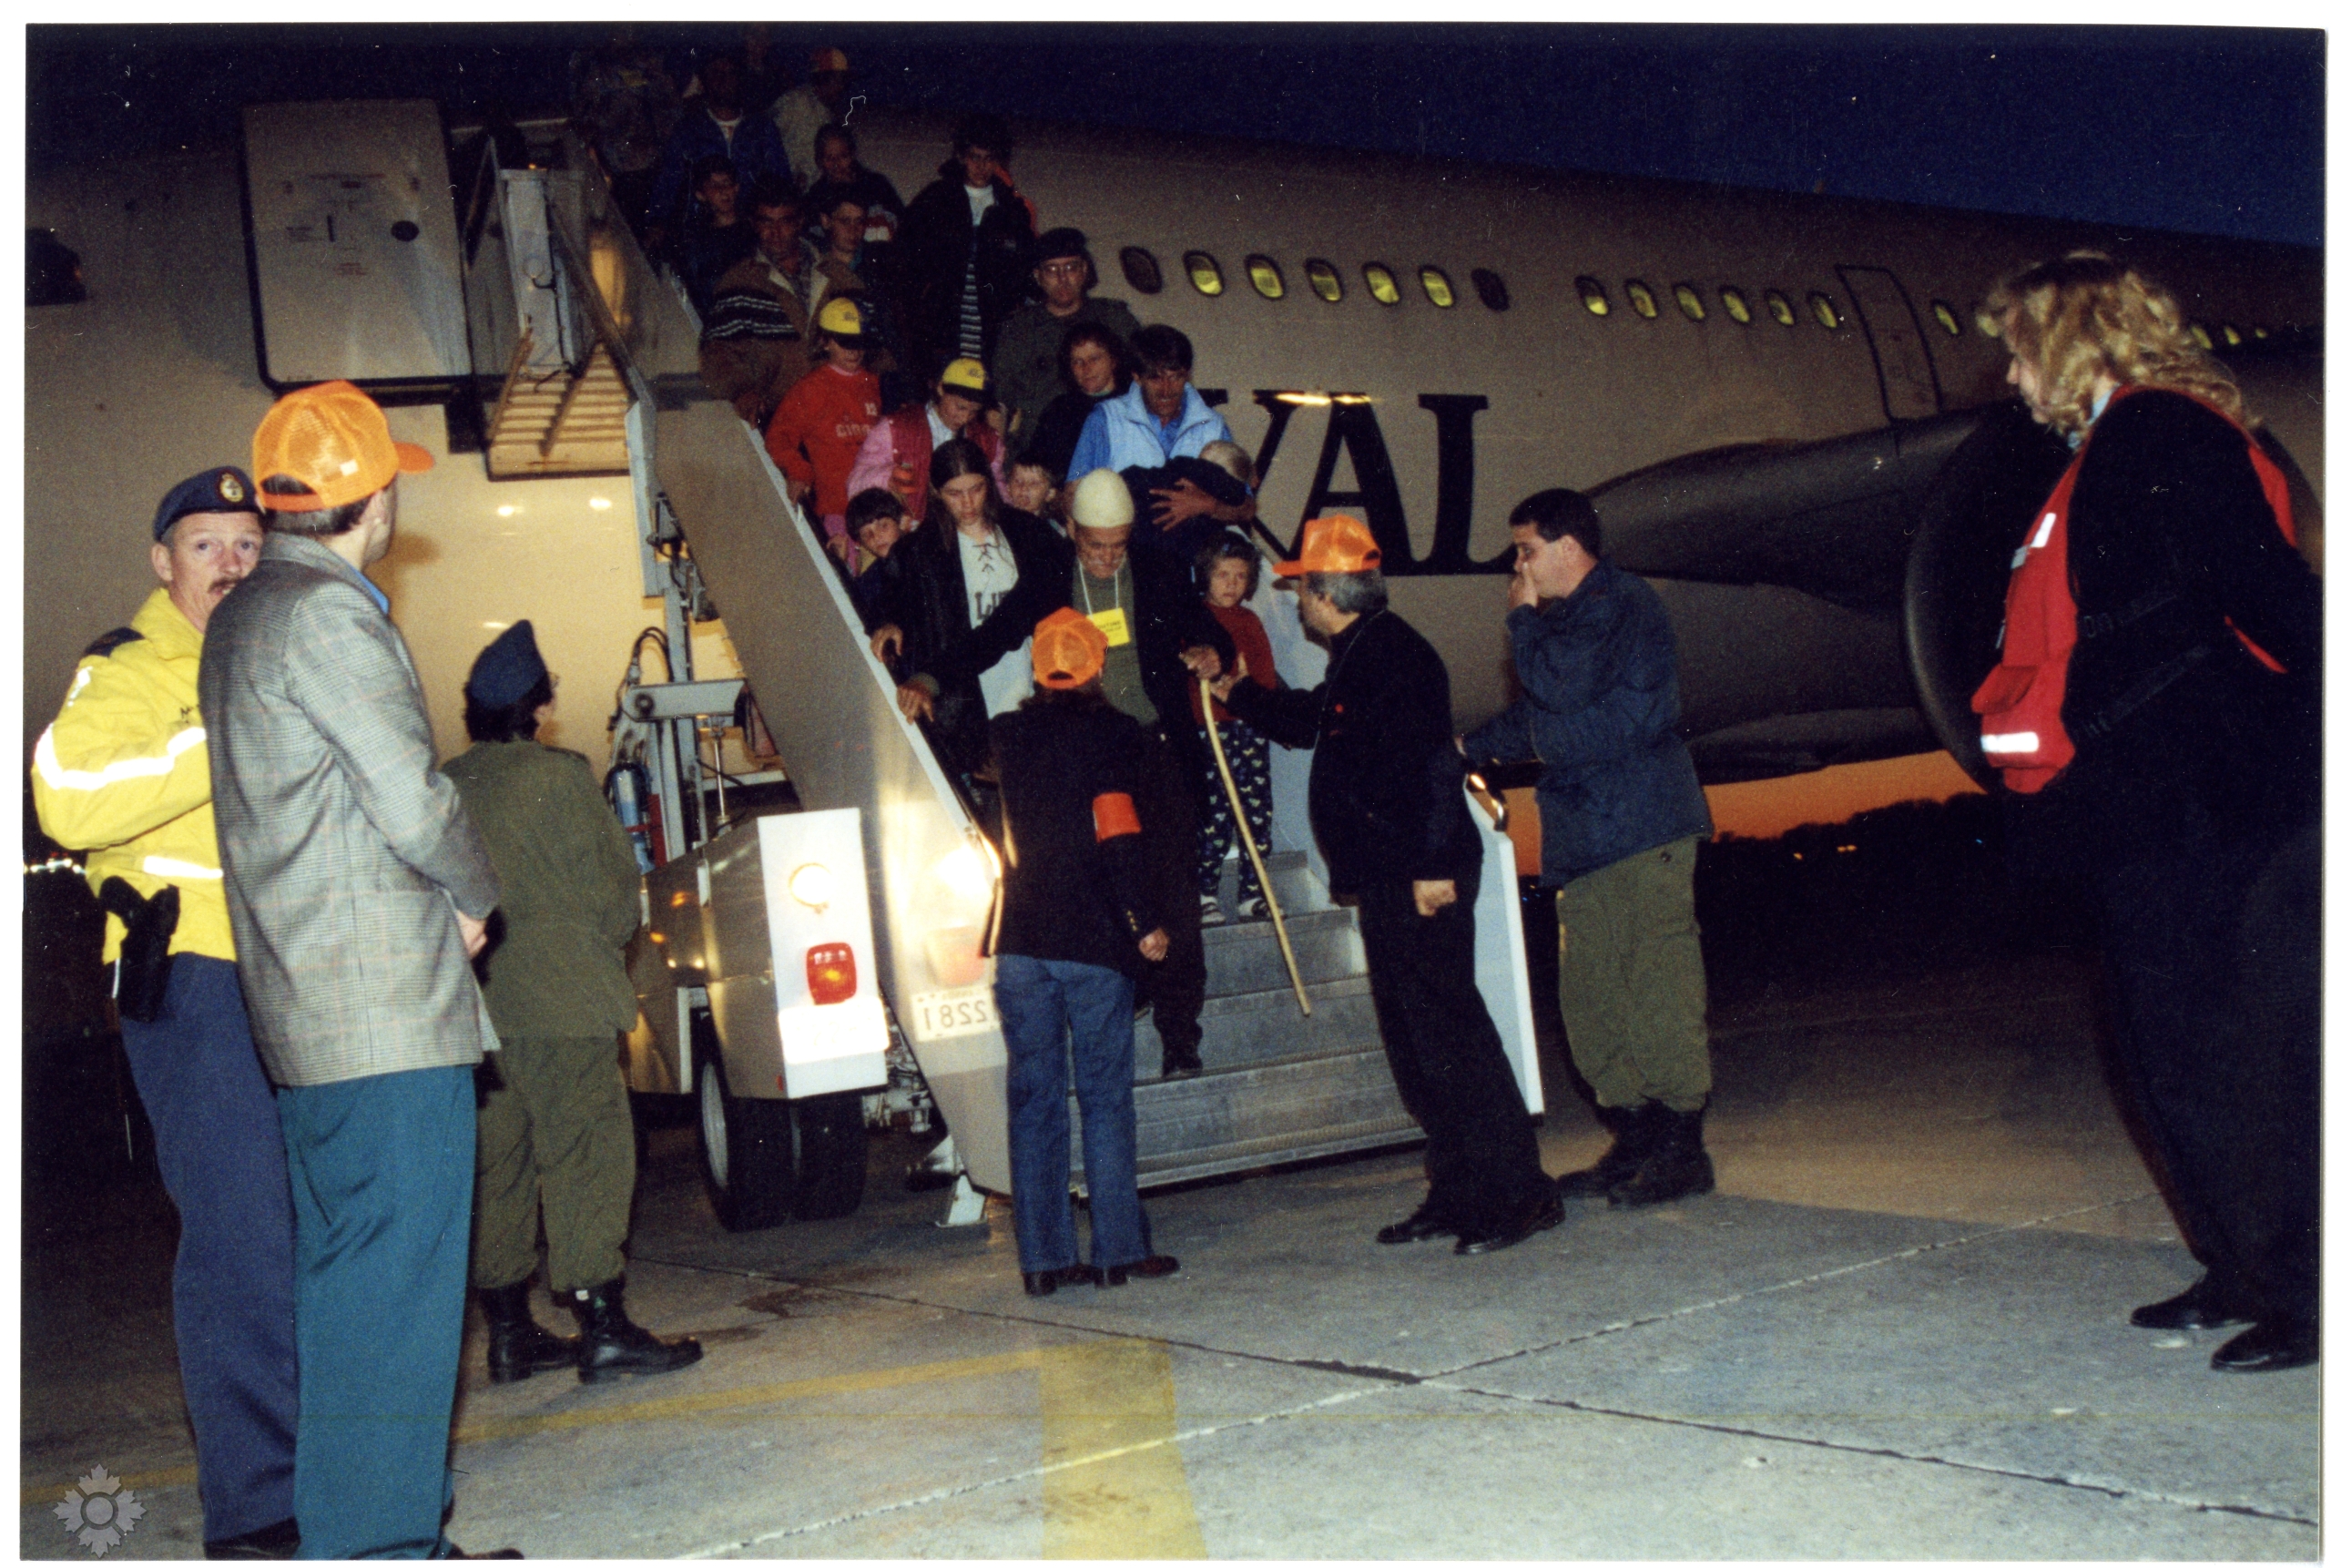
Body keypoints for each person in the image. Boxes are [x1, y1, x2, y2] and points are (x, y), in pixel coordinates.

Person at [1976, 252, 2321, 1373]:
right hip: (2154, 808)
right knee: (2166, 1047)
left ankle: (2302, 1290)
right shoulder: (2114, 449)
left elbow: (2273, 599)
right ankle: (2241, 1264)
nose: (2014, 375)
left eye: (2022, 348)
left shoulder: (2165, 436)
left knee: (2239, 1053)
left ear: (2074, 340)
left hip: (2218, 803)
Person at [200, 382, 513, 1559]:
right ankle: (388, 1547)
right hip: (384, 1014)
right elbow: (412, 798)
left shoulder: (240, 614)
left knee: (346, 1299)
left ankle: (356, 1532)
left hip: (306, 1015)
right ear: (371, 500)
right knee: (402, 1299)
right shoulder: (328, 615)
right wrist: (478, 898)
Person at [31, 468, 300, 1561]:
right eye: (206, 546)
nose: (231, 564)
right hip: (193, 982)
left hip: (297, 979)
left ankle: (334, 1482)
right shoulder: (131, 669)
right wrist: (220, 730)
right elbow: (67, 797)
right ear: (163, 562)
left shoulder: (275, 661)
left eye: (247, 545)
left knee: (315, 1236)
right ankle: (257, 1512)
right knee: (241, 1238)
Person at [1209, 514, 1559, 1254]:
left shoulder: (1394, 657)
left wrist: (1433, 869)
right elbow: (1311, 723)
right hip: (1388, 877)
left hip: (1417, 876)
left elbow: (1435, 766)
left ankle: (1521, 1195)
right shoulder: (1359, 654)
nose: (1296, 597)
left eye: (1301, 585)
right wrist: (1238, 691)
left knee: (1451, 1036)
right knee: (1415, 1043)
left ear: (1327, 594)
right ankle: (1459, 1193)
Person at [901, 470, 1235, 1079]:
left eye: (1117, 545)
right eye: (1094, 546)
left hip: (1155, 755)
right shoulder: (1053, 574)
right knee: (1103, 889)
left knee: (1176, 903)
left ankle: (1181, 1038)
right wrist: (928, 675)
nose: (1107, 558)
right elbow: (993, 637)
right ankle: (1129, 991)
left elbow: (1211, 632)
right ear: (1072, 530)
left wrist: (1217, 655)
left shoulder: (1158, 570)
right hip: (1084, 758)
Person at [443, 622, 705, 1387]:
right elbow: (616, 894)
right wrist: (593, 948)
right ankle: (603, 1327)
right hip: (564, 1003)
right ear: (540, 704)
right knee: (586, 1154)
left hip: (478, 1017)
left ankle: (511, 1336)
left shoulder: (446, 784)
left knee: (499, 1167)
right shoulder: (561, 776)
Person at [1460, 489, 1717, 1210]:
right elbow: (1539, 709)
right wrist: (1464, 749)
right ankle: (1633, 1140)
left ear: (1567, 549)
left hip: (1642, 829)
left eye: (1526, 550)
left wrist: (1519, 620)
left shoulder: (1620, 606)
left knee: (1656, 991)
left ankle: (1682, 1149)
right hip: (1586, 838)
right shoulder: (1568, 625)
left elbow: (1565, 691)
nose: (1519, 567)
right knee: (1593, 1001)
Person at [991, 607, 1181, 1295]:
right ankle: (1115, 1253)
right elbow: (1118, 832)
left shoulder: (1006, 735)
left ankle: (1042, 1263)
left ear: (1038, 669)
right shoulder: (1115, 734)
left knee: (1034, 1102)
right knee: (1103, 1100)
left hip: (1017, 945)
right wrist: (1145, 920)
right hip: (1095, 941)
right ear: (1097, 665)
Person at [874, 437, 1067, 794]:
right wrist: (891, 620)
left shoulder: (1028, 532)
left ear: (990, 485)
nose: (967, 504)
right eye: (954, 494)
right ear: (936, 493)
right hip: (962, 697)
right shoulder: (918, 550)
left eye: (976, 489)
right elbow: (892, 594)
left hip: (1026, 680)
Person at [698, 182, 859, 427]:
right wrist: (742, 392)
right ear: (754, 223)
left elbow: (873, 342)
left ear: (799, 222)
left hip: (841, 415)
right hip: (777, 416)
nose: (776, 232)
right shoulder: (739, 283)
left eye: (785, 221)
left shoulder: (839, 278)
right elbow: (717, 351)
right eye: (766, 222)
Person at [897, 114, 1037, 374]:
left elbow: (1025, 269)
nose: (982, 166)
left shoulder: (1012, 209)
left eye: (990, 158)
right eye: (975, 157)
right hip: (942, 330)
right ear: (961, 156)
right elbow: (905, 258)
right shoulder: (933, 200)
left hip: (991, 333)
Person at [1187, 531, 1277, 925]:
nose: (1231, 584)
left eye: (1240, 577)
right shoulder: (1192, 616)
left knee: (1256, 814)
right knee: (1215, 815)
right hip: (1208, 730)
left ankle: (1252, 895)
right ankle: (1205, 893)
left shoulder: (1251, 621)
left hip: (1249, 730)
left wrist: (1247, 691)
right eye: (1223, 575)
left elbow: (1267, 678)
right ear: (1206, 575)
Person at [990, 228, 1142, 453]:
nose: (1062, 279)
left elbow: (1146, 380)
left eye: (1071, 268)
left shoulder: (1115, 320)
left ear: (1084, 270)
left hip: (1111, 447)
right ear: (1037, 276)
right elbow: (999, 403)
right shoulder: (1019, 331)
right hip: (1040, 454)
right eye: (1051, 270)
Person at [766, 296, 884, 561]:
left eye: (860, 343)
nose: (854, 352)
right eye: (845, 343)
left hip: (879, 511)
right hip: (838, 510)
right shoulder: (809, 389)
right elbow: (777, 437)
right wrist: (799, 470)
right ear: (825, 342)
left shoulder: (873, 384)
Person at [643, 49, 789, 251]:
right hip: (700, 232)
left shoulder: (762, 128)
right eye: (716, 74)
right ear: (704, 82)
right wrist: (656, 221)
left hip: (754, 231)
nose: (723, 80)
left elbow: (780, 179)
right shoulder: (688, 129)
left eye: (730, 73)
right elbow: (668, 181)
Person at [1064, 324, 1231, 488]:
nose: (1166, 390)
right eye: (1155, 379)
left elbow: (1245, 505)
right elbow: (1075, 484)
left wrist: (1208, 505)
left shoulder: (1212, 426)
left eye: (1175, 378)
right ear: (1137, 377)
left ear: (1187, 375)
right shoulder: (1106, 419)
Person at [846, 358, 1004, 523]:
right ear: (941, 388)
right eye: (960, 407)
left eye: (974, 411)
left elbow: (998, 491)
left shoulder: (988, 439)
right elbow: (854, 484)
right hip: (909, 532)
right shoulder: (895, 427)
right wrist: (887, 479)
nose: (965, 418)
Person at [568, 30, 681, 238]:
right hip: (615, 167)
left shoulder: (651, 61)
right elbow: (582, 115)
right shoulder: (592, 64)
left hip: (654, 164)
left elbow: (671, 107)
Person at [1021, 321, 1129, 485]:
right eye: (1077, 362)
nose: (1086, 369)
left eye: (1094, 359)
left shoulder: (1131, 405)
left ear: (1113, 360)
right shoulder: (1059, 409)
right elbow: (1041, 466)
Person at [802, 123, 908, 249]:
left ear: (852, 155)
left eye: (843, 156)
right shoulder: (816, 195)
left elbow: (903, 225)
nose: (836, 164)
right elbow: (810, 239)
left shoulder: (877, 185)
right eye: (829, 158)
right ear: (819, 161)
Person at [673, 155, 758, 313]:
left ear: (736, 187)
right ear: (700, 195)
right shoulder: (697, 240)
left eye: (727, 183)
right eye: (713, 185)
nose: (723, 191)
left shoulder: (755, 227)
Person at [769, 46, 855, 190]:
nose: (842, 87)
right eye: (838, 80)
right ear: (822, 79)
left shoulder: (830, 113)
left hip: (817, 194)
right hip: (787, 193)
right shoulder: (795, 102)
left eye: (844, 81)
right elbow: (765, 141)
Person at [841, 487, 912, 637]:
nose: (876, 536)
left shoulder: (921, 555)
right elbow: (857, 603)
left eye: (883, 525)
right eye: (867, 534)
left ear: (901, 522)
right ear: (861, 543)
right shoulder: (873, 576)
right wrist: (842, 566)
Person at [1003, 453, 1060, 531]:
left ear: (1049, 494)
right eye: (1018, 481)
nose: (1024, 488)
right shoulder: (1002, 525)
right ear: (1008, 487)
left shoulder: (1053, 530)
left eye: (1034, 484)